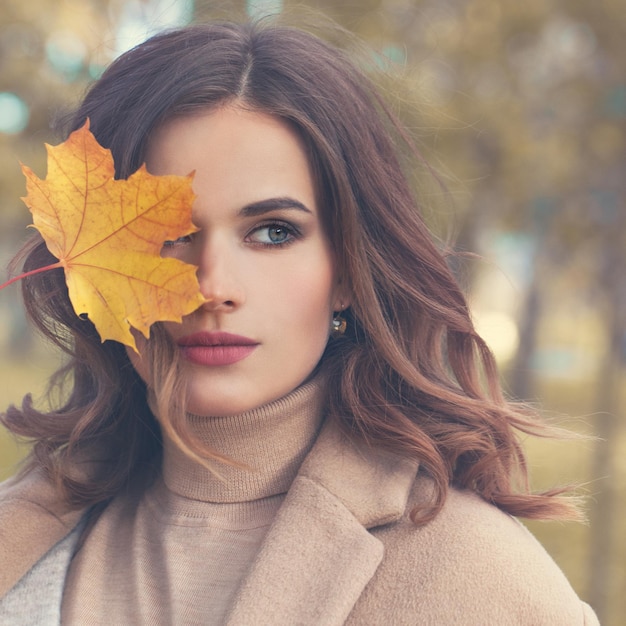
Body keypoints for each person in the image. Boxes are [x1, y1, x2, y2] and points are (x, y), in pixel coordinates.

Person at [0, 18, 598, 625]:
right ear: (93, 262)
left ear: (344, 273)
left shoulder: (481, 579)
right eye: (169, 236)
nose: (211, 287)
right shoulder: (20, 537)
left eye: (273, 232)